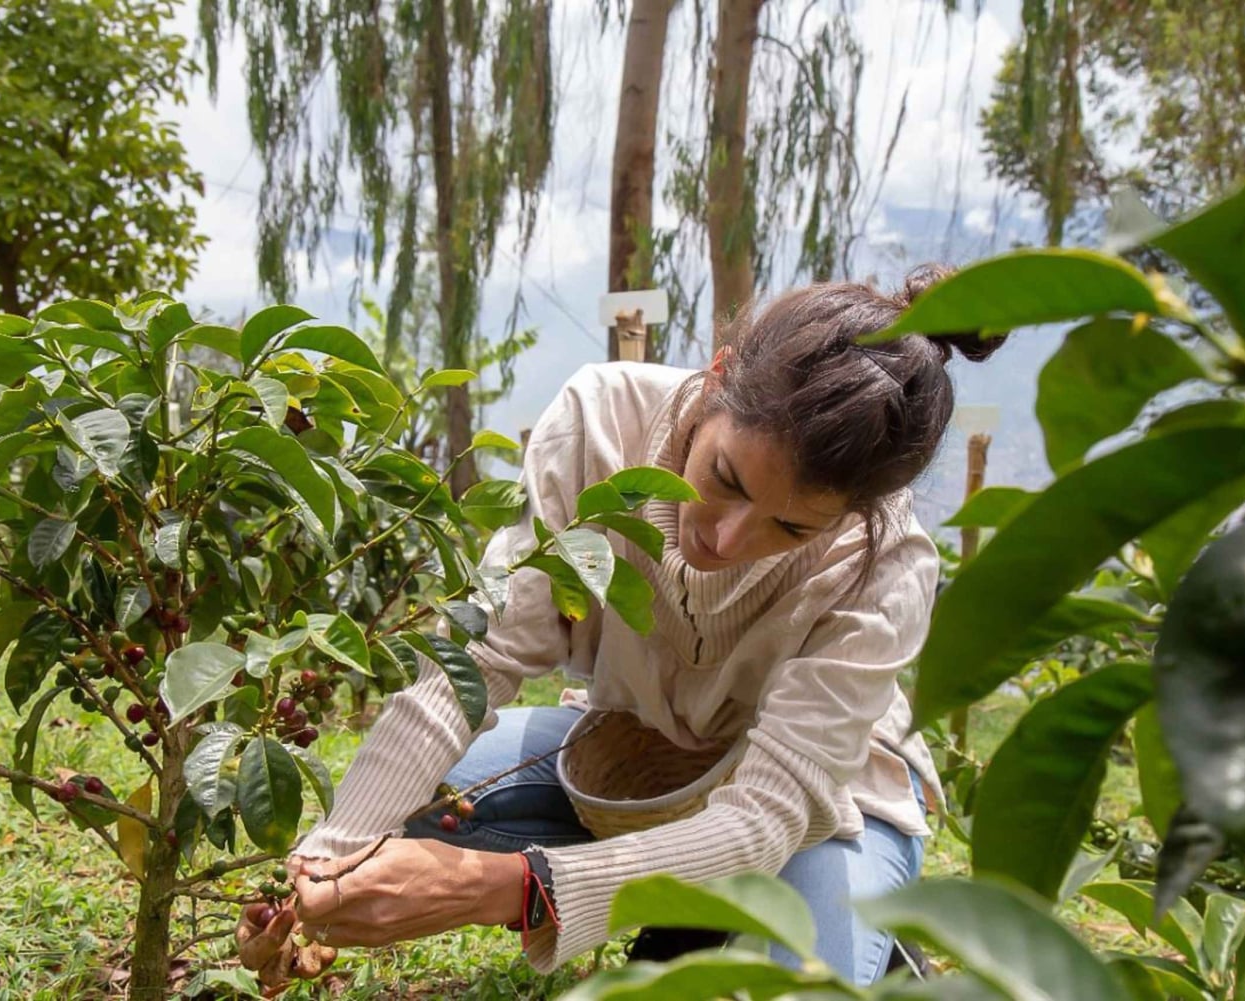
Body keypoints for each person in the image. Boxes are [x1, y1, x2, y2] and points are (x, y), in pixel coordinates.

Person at [235, 267, 1005, 993]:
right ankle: (681, 909)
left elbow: (767, 816)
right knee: (395, 813)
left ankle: (828, 935)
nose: (726, 541)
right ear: (716, 378)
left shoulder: (886, 560)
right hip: (631, 762)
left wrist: (513, 888)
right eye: (726, 478)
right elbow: (474, 664)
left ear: (853, 516)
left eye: (791, 528)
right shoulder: (601, 424)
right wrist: (320, 872)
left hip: (823, 813)